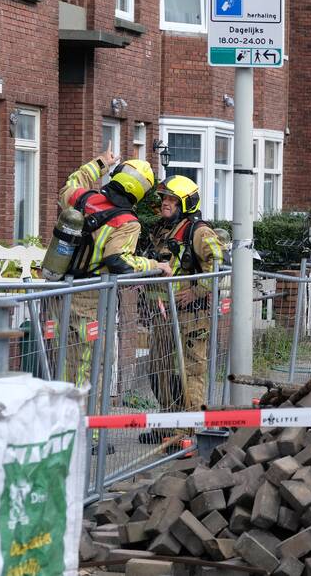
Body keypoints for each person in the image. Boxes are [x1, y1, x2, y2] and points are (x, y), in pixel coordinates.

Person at [57, 142, 170, 389]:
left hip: (59, 291)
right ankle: (90, 427)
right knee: (90, 370)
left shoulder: (82, 198)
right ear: (140, 193)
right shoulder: (127, 222)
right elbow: (118, 260)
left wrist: (100, 163)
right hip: (91, 297)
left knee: (61, 366)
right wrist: (154, 264)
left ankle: (63, 423)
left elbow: (71, 183)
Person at [144, 175, 225, 418]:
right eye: (164, 198)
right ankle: (168, 422)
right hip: (162, 315)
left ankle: (189, 428)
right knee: (159, 370)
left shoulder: (199, 232)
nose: (165, 203)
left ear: (185, 203)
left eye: (172, 199)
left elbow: (219, 263)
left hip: (191, 317)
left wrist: (197, 290)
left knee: (190, 371)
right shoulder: (161, 228)